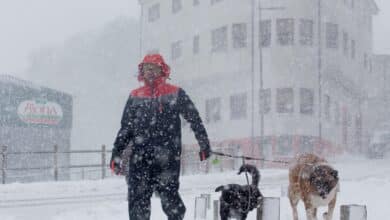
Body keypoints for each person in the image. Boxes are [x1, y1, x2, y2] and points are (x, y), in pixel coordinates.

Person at [110, 53, 212, 220]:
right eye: (146, 68)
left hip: (167, 159)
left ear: (162, 70)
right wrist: (116, 155)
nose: (150, 72)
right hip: (140, 159)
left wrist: (204, 145)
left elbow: (194, 120)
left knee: (171, 201)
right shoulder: (135, 96)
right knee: (138, 203)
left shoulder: (176, 93)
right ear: (141, 72)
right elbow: (125, 129)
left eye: (154, 68)